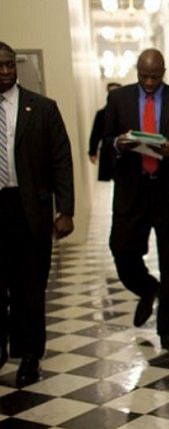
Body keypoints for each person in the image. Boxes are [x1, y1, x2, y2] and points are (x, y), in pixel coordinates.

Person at [103, 48, 169, 355]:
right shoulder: (118, 100)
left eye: (155, 76)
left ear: (164, 72)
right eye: (144, 76)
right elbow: (105, 139)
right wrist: (119, 143)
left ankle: (167, 330)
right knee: (121, 251)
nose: (149, 82)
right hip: (132, 191)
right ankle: (147, 289)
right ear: (136, 71)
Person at [0, 42, 74, 386]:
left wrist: (66, 210)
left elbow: (61, 161)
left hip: (30, 210)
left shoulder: (41, 108)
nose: (5, 71)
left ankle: (30, 356)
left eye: (10, 65)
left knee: (31, 288)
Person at [88, 81, 121, 181]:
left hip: (125, 152)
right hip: (108, 151)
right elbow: (96, 133)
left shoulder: (127, 113)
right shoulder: (102, 114)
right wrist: (92, 151)